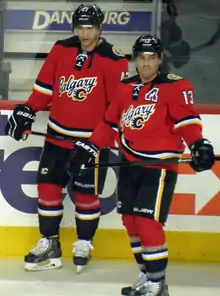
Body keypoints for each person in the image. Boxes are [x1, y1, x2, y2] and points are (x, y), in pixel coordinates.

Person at [65, 35, 215, 295]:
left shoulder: (175, 87)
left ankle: (158, 283)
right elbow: (110, 123)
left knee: (148, 223)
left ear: (160, 59)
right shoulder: (126, 86)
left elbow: (187, 121)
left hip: (157, 168)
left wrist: (198, 144)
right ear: (135, 58)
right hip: (129, 164)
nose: (147, 64)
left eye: (152, 58)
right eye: (142, 58)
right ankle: (146, 277)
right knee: (132, 223)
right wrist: (90, 147)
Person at [4, 3, 128, 273]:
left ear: (99, 27)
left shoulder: (114, 58)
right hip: (57, 136)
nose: (85, 34)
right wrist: (28, 109)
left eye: (90, 27)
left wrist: (98, 140)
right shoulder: (61, 49)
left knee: (86, 195)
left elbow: (117, 109)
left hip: (91, 143)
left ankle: (84, 242)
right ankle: (50, 243)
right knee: (47, 190)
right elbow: (44, 89)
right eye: (80, 27)